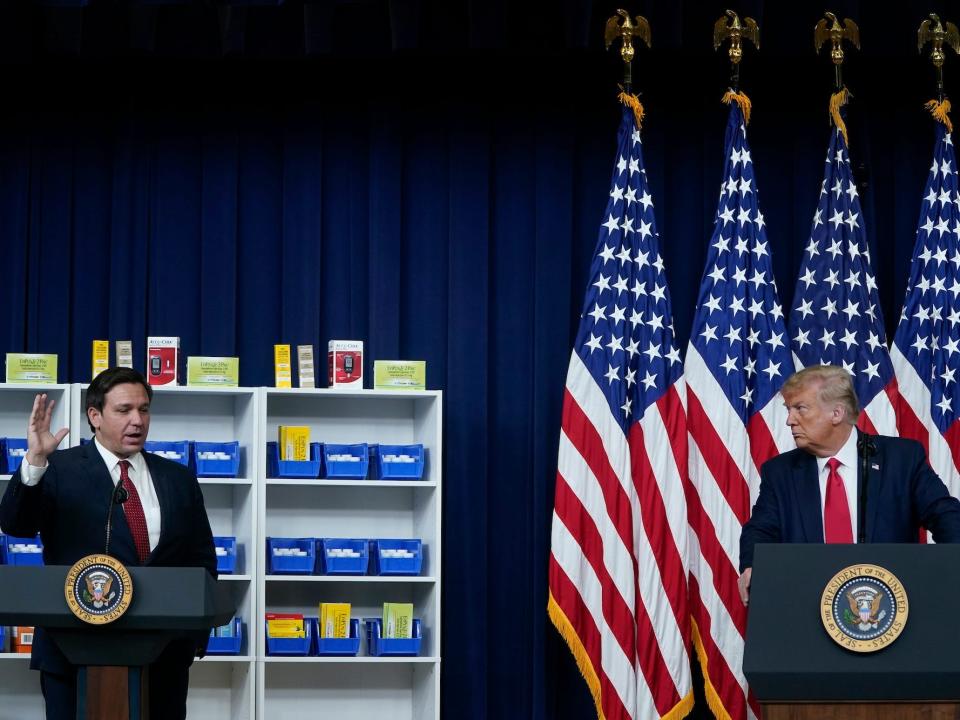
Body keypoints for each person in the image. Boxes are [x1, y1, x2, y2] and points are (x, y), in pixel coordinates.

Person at [0, 367, 217, 720]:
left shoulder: (178, 479)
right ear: (95, 416)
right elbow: (16, 525)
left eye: (144, 409)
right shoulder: (59, 469)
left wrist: (195, 630)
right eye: (124, 410)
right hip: (74, 650)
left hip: (164, 655)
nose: (137, 421)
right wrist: (36, 461)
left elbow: (202, 558)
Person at [738, 364, 960, 606]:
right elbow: (760, 530)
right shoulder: (780, 472)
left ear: (837, 413)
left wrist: (948, 573)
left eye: (800, 408)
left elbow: (945, 515)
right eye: (789, 410)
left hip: (892, 606)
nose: (790, 420)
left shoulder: (901, 459)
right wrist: (752, 565)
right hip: (809, 608)